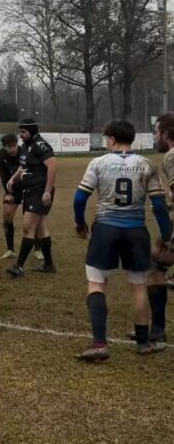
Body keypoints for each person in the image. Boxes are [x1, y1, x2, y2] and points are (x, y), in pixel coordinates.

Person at [73, 119, 170, 361]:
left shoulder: (98, 163)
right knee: (138, 286)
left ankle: (99, 344)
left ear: (113, 139)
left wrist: (79, 222)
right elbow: (158, 205)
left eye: (107, 138)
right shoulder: (147, 164)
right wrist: (167, 234)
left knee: (96, 283)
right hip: (136, 231)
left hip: (106, 229)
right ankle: (144, 343)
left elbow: (79, 198)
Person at [6, 119, 57, 277]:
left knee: (28, 227)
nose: (20, 135)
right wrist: (13, 179)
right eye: (20, 131)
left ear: (32, 131)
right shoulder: (27, 146)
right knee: (41, 228)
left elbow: (53, 166)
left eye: (23, 132)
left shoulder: (40, 145)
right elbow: (23, 166)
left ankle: (19, 266)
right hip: (30, 191)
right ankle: (49, 265)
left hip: (39, 191)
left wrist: (47, 192)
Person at [143, 112, 174, 344]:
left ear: (165, 133)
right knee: (157, 263)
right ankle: (157, 329)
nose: (156, 137)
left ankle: (158, 330)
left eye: (156, 132)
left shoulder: (171, 156)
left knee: (155, 268)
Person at [0, 134, 43, 261]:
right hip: (13, 190)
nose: (13, 149)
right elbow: (3, 176)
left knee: (33, 220)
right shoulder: (0, 156)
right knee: (7, 216)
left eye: (14, 145)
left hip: (29, 188)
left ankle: (38, 249)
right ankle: (10, 249)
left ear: (17, 144)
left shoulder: (25, 153)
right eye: (9, 147)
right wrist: (8, 192)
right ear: (4, 147)